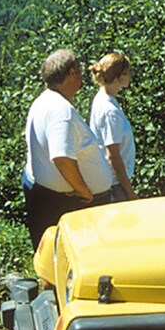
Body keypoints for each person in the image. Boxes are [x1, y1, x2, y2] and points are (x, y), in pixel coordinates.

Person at [23, 49, 113, 249]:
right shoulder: (60, 110)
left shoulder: (44, 101)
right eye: (79, 70)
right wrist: (85, 192)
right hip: (69, 203)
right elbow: (61, 157)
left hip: (52, 197)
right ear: (72, 72)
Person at [89, 53, 138, 203]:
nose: (130, 75)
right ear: (121, 77)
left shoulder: (102, 98)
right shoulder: (110, 110)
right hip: (115, 186)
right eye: (128, 72)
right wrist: (130, 193)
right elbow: (113, 156)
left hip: (111, 181)